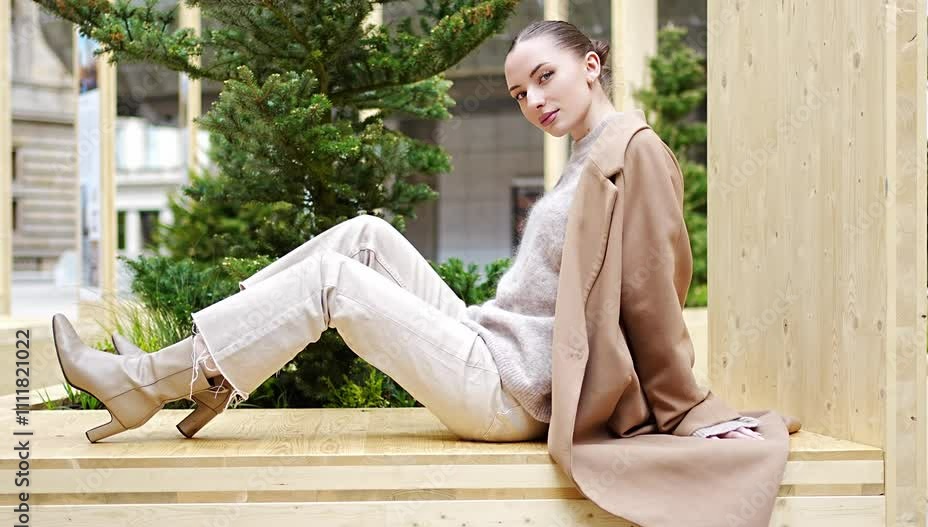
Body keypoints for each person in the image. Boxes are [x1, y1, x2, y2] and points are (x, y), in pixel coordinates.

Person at [51, 19, 762, 444]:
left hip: (510, 393)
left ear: (591, 63)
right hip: (489, 341)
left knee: (333, 284)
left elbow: (655, 288)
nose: (534, 100)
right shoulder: (588, 154)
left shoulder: (633, 151)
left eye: (545, 78)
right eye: (519, 93)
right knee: (362, 234)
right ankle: (207, 369)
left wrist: (684, 410)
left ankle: (148, 379)